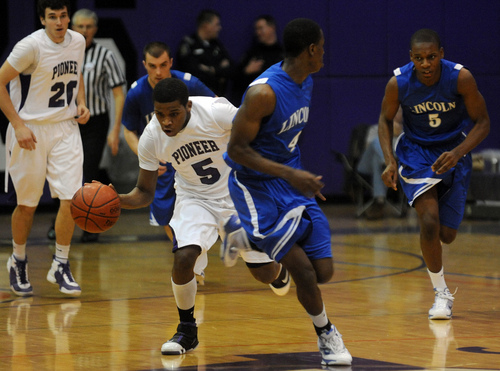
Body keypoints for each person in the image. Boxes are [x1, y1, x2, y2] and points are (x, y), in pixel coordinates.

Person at [118, 77, 290, 355]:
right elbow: (144, 191)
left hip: (236, 193)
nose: (166, 122)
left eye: (173, 114)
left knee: (263, 273)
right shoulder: (151, 137)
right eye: (160, 114)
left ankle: (278, 271)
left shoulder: (215, 111)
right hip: (194, 198)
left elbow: (259, 131)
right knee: (184, 257)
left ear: (187, 106)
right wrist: (117, 201)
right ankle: (186, 330)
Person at [222, 18, 352, 366]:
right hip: (255, 187)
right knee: (304, 273)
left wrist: (301, 179)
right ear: (311, 50)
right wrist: (292, 175)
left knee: (322, 271)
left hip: (290, 185)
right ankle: (327, 335)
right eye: (322, 47)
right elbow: (236, 150)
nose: (324, 53)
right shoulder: (264, 92)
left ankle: (246, 238)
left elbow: (286, 140)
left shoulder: (306, 81)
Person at [378, 28, 490, 320]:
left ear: (441, 54)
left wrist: (458, 153)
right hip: (415, 153)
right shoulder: (399, 82)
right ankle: (441, 295)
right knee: (428, 221)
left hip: (454, 150)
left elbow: (483, 123)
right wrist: (390, 160)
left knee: (447, 235)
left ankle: (438, 212)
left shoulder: (460, 78)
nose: (425, 64)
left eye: (431, 57)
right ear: (411, 58)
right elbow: (385, 119)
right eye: (419, 58)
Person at [0, 0, 90, 297]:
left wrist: (80, 102)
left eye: (63, 16)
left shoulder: (77, 40)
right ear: (42, 19)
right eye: (53, 17)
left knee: (72, 199)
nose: (60, 22)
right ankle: (18, 259)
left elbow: (77, 74)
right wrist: (18, 125)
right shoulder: (30, 47)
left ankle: (61, 263)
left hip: (65, 128)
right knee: (27, 205)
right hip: (31, 130)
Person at [122, 41, 215, 243]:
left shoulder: (190, 84)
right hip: (164, 160)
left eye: (163, 65)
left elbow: (216, 108)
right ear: (144, 65)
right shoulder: (137, 92)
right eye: (153, 66)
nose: (158, 71)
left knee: (207, 210)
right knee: (165, 216)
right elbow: (129, 130)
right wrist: (144, 155)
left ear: (171, 62)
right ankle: (182, 251)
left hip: (194, 156)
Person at [68, 8, 127, 242]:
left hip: (95, 121)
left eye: (89, 26)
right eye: (80, 26)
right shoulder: (64, 54)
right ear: (73, 28)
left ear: (96, 28)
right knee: (66, 174)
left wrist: (115, 130)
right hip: (68, 122)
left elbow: (119, 94)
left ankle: (89, 225)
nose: (84, 31)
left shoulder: (104, 55)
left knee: (88, 170)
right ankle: (63, 221)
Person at [356, 107, 403, 219]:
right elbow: (368, 148)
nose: (396, 114)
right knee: (378, 141)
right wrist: (387, 133)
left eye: (399, 112)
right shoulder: (374, 129)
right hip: (366, 166)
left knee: (378, 162)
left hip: (390, 167)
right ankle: (387, 162)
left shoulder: (405, 133)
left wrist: (398, 136)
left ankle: (379, 200)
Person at [176, 9, 233, 97]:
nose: (219, 28)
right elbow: (192, 72)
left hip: (217, 96)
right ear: (206, 25)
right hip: (194, 96)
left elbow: (230, 68)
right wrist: (218, 72)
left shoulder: (216, 44)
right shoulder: (189, 44)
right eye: (217, 24)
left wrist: (210, 69)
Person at [232, 15, 284, 104]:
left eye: (261, 28)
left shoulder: (283, 54)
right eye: (256, 29)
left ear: (272, 28)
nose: (258, 32)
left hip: (277, 103)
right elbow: (236, 79)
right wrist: (246, 72)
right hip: (253, 103)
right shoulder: (252, 54)